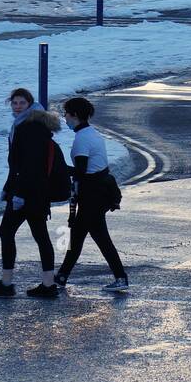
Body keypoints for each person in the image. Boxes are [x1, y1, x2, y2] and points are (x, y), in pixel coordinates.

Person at [0, 88, 62, 299]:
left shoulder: (30, 127)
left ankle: (9, 283)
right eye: (15, 103)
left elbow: (30, 165)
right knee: (37, 235)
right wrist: (9, 187)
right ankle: (46, 284)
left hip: (28, 192)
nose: (17, 106)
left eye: (21, 103)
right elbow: (19, 164)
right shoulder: (25, 124)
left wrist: (18, 193)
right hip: (32, 191)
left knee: (8, 231)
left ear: (30, 104)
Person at [55, 97, 129, 292]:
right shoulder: (92, 133)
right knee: (83, 237)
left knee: (92, 238)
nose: (65, 118)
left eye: (67, 114)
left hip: (92, 194)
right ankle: (62, 276)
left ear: (75, 116)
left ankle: (120, 278)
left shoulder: (82, 139)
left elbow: (80, 171)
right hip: (100, 192)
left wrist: (59, 168)